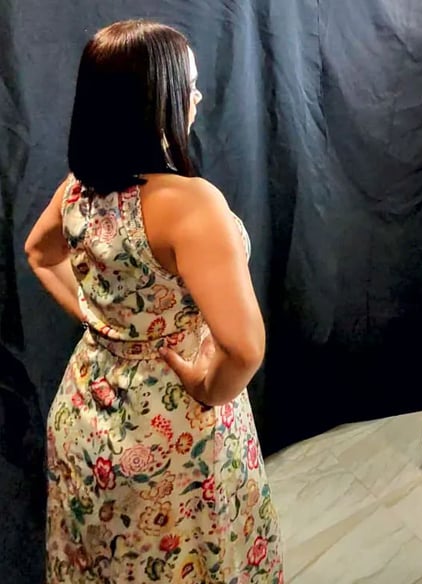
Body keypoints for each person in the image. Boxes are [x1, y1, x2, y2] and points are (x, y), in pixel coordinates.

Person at [24, 20, 283, 583]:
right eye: (186, 86)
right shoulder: (190, 205)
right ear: (155, 100)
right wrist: (205, 386)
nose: (197, 97)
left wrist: (106, 328)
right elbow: (244, 347)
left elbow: (40, 254)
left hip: (84, 420)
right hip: (171, 434)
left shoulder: (77, 188)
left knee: (104, 563)